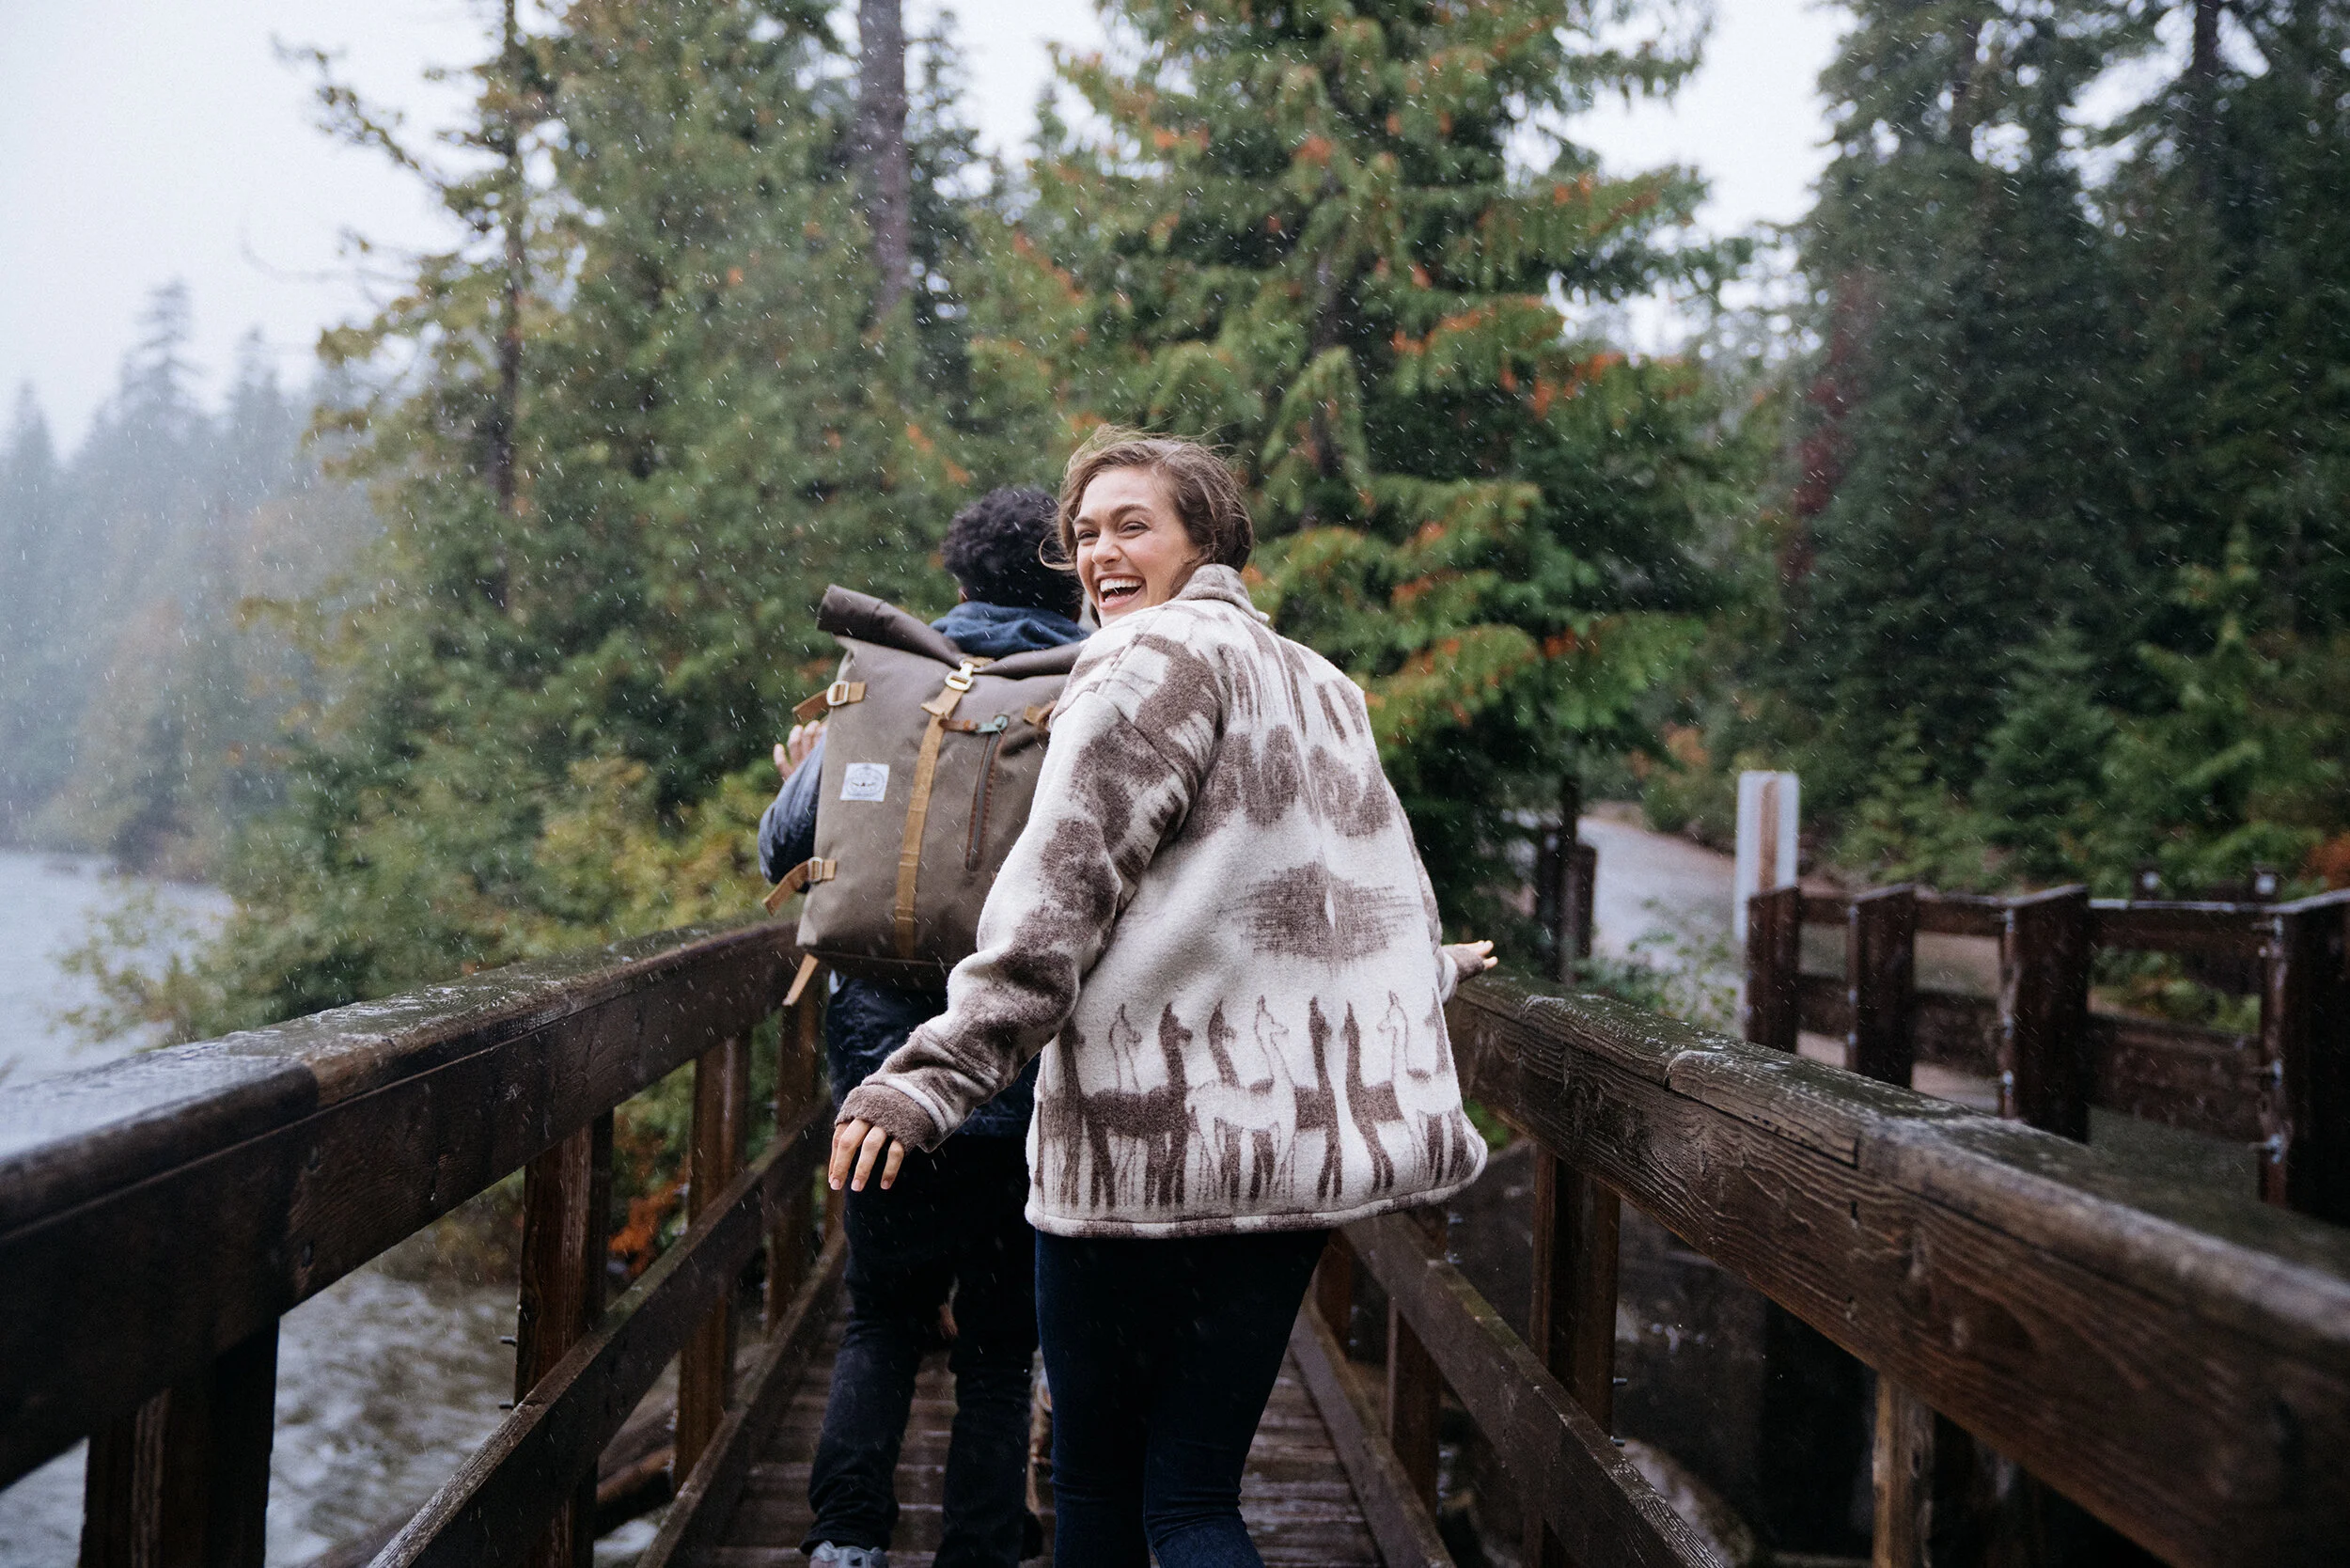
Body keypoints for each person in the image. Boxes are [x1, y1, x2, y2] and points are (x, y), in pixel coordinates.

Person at [828, 431, 1496, 1568]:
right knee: (1195, 1497)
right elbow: (1343, 907)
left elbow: (1053, 908)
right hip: (1282, 1158)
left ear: (1208, 537)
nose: (1098, 554)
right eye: (1084, 533)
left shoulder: (1145, 665)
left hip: (1143, 1148)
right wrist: (1430, 970)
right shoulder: (1321, 683)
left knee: (1100, 1486)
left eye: (1132, 524)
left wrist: (928, 1083)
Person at [761, 486, 1087, 1568]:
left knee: (882, 1323)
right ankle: (983, 1549)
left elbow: (786, 853)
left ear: (955, 581)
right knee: (1000, 1351)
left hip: (883, 1078)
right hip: (1027, 1076)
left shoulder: (893, 686)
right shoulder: (1095, 691)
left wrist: (792, 782)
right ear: (1071, 577)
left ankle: (844, 1543)